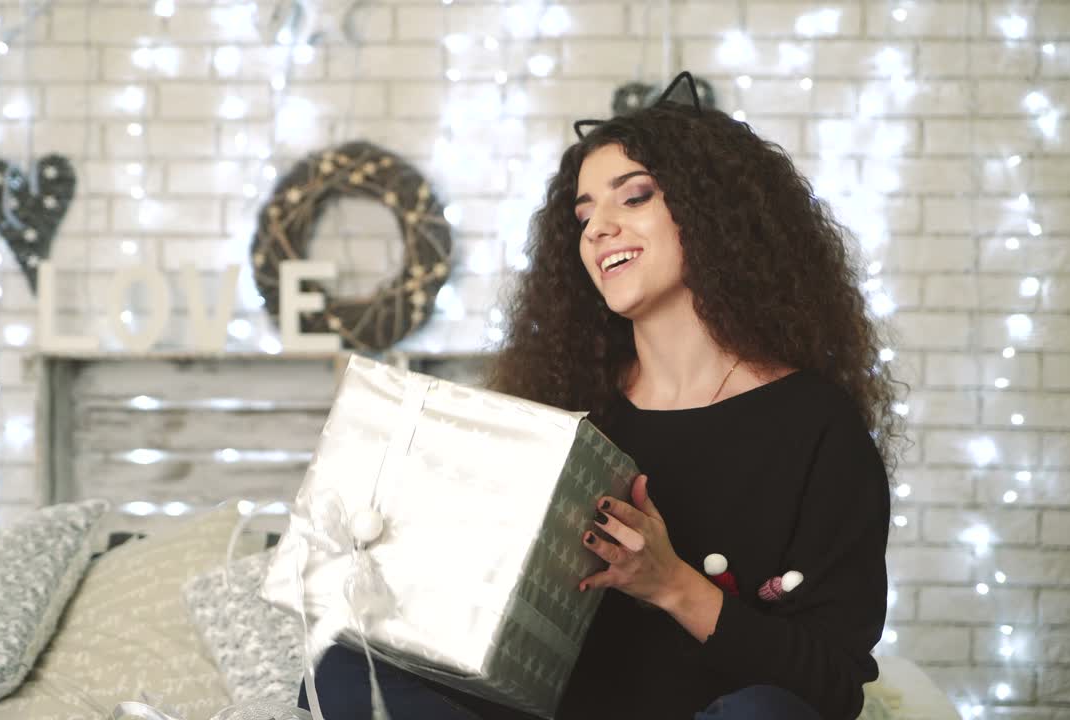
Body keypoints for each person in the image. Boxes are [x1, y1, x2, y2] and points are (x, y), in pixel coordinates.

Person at [299, 72, 900, 720]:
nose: (597, 229)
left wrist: (671, 583)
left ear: (716, 214)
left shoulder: (816, 426)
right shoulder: (560, 409)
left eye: (633, 197)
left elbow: (833, 686)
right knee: (342, 666)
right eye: (584, 214)